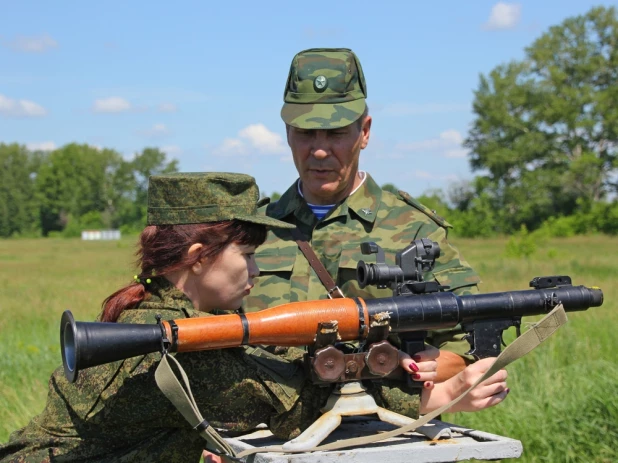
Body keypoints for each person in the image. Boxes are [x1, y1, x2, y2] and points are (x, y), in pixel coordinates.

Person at [0, 172, 508, 463]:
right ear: (199, 256)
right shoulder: (174, 344)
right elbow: (293, 404)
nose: (256, 269)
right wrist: (436, 396)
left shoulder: (148, 309)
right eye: (246, 254)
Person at [244, 48, 484, 382]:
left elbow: (469, 337)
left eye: (336, 133)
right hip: (265, 425)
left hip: (386, 424)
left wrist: (444, 364)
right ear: (287, 133)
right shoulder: (250, 232)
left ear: (365, 132)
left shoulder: (415, 231)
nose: (320, 150)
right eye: (305, 133)